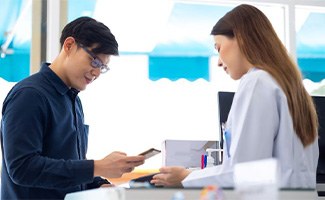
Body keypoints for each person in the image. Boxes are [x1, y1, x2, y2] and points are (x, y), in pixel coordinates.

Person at [151, 4, 319, 188]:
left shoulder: (257, 82)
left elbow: (244, 172)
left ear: (240, 38)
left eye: (219, 48)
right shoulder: (291, 87)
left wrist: (186, 177)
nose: (218, 62)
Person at [1, 16, 145, 199]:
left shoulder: (73, 100)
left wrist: (100, 184)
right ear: (69, 45)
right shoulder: (30, 95)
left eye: (103, 67)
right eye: (94, 61)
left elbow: (70, 167)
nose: (96, 73)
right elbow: (22, 169)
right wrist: (98, 166)